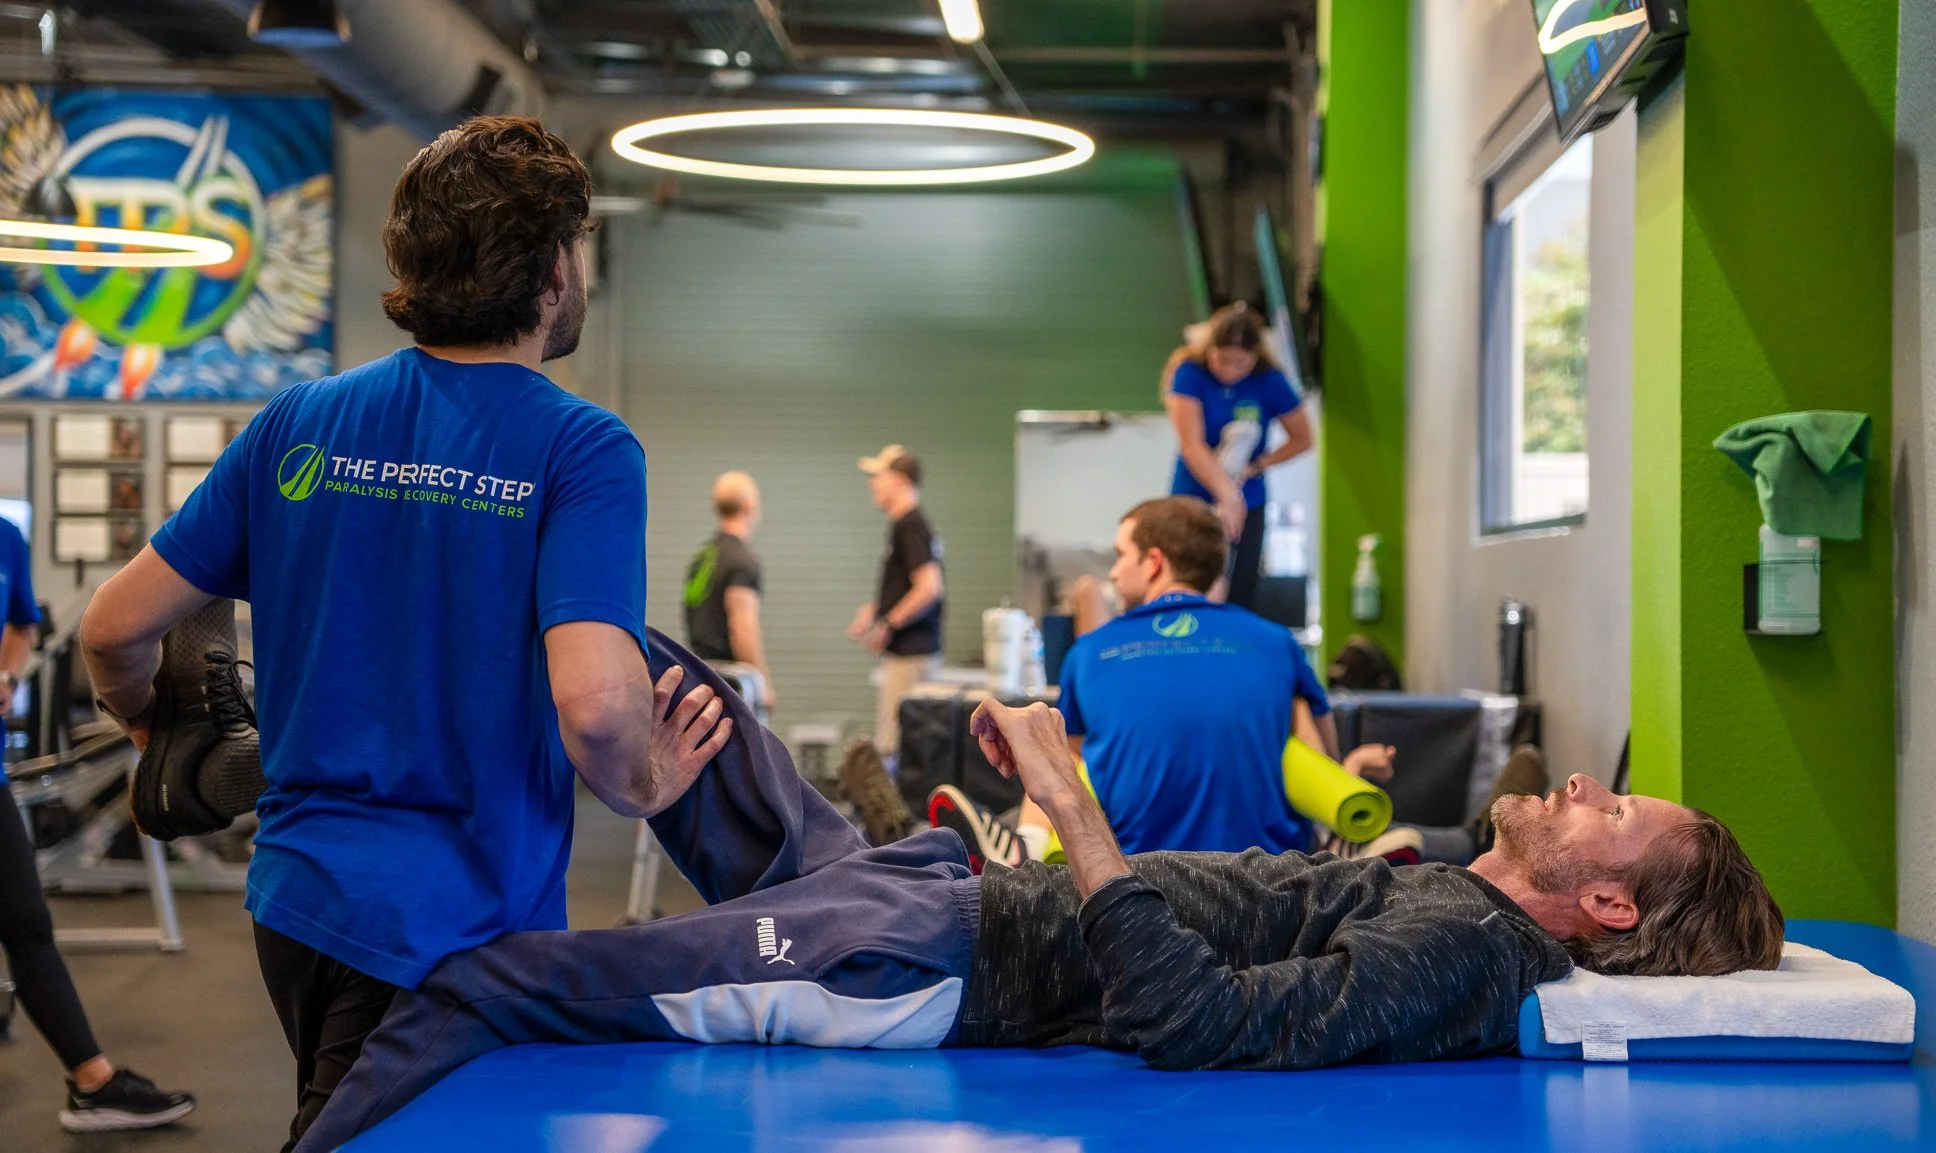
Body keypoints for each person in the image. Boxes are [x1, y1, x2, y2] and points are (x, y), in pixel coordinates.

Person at [289, 639, 1785, 1153]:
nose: (1584, 784)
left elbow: (1195, 1022)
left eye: (1611, 811)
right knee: (659, 671)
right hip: (946, 887)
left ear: (1602, 909)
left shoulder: (1471, 946)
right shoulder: (1459, 890)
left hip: (927, 952)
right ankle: (660, 776)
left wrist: (1072, 810)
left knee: (480, 985)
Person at [78, 116, 731, 1150]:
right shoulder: (581, 447)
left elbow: (113, 628)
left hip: (292, 903)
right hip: (452, 931)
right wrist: (642, 783)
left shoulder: (299, 421)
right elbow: (600, 706)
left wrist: (149, 728)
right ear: (551, 272)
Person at [998, 496, 1335, 861]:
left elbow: (1065, 771)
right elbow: (1327, 764)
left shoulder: (1091, 651)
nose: (1113, 572)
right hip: (1270, 874)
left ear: (1154, 562)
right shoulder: (1276, 642)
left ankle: (1020, 852)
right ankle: (1345, 846)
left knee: (1058, 756)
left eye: (1121, 555)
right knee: (1295, 712)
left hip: (1134, 878)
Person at [0, 516, 196, 1133]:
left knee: (26, 922)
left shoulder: (7, 536)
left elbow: (22, 624)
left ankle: (94, 1082)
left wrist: (7, 676)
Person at [1164, 303, 1315, 611]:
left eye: (1240, 363)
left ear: (1255, 357)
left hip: (1249, 500)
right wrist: (1227, 496)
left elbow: (1303, 438)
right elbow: (1192, 444)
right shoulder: (1190, 373)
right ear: (1210, 350)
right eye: (1223, 360)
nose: (1230, 370)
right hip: (1194, 496)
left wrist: (1257, 466)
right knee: (1191, 583)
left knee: (1238, 588)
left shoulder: (1269, 381)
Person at [845, 444, 944, 757]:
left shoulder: (910, 525)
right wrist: (875, 610)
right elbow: (907, 586)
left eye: (879, 476)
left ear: (901, 480)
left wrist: (888, 623)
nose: (871, 483)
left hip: (911, 657)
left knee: (896, 749)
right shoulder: (905, 526)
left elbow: (929, 587)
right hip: (906, 656)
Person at [684, 471, 775, 711]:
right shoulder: (742, 559)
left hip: (701, 674)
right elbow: (742, 626)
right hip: (732, 684)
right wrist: (763, 681)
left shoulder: (703, 557)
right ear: (748, 505)